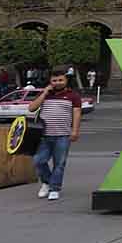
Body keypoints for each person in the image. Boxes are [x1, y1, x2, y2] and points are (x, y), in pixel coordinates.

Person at [28, 67, 83, 201]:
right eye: (54, 80)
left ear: (66, 80)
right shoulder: (45, 94)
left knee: (59, 163)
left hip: (63, 135)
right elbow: (31, 108)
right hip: (44, 136)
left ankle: (54, 188)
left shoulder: (73, 96)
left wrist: (75, 131)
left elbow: (76, 114)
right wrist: (45, 93)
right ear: (50, 81)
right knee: (38, 160)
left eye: (60, 80)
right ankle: (46, 182)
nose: (57, 82)